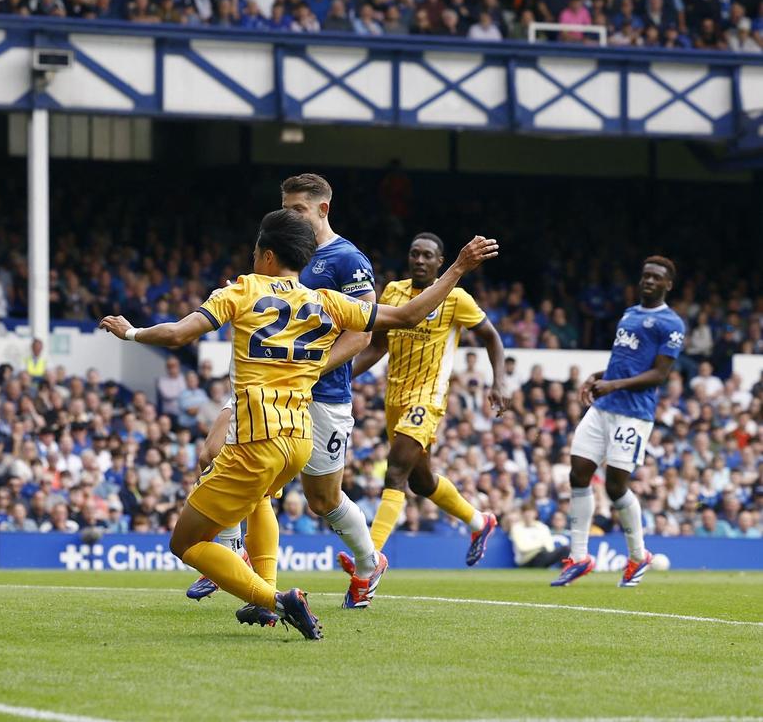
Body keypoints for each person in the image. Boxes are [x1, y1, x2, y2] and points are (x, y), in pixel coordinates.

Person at [100, 209, 498, 638]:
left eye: (255, 251)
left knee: (186, 542)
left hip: (256, 439)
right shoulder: (324, 301)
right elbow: (405, 316)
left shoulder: (242, 290)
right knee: (257, 498)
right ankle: (259, 582)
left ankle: (271, 597)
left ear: (267, 255)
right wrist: (458, 267)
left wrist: (131, 332)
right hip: (298, 440)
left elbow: (179, 334)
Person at [187, 173, 384, 610]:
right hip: (265, 388)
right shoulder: (281, 251)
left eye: (297, 209)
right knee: (214, 453)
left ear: (322, 210)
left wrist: (309, 369)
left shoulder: (346, 259)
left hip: (320, 393)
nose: (287, 215)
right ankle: (230, 555)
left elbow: (362, 335)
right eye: (285, 207)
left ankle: (369, 563)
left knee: (322, 499)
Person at [348, 232, 507, 601]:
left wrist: (499, 381)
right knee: (421, 481)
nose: (419, 260)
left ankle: (368, 562)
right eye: (414, 254)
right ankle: (479, 521)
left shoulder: (455, 297)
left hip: (428, 397)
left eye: (427, 256)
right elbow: (379, 345)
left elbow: (492, 337)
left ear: (440, 263)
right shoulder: (392, 292)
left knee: (396, 471)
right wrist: (343, 371)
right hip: (395, 396)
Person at [551, 256, 683, 588]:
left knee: (615, 486)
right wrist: (600, 377)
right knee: (578, 473)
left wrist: (613, 385)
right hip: (604, 405)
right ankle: (579, 557)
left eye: (656, 277)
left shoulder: (672, 324)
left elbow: (659, 374)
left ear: (668, 284)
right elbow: (622, 362)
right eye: (645, 276)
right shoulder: (629, 314)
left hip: (634, 413)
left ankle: (639, 556)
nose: (648, 281)